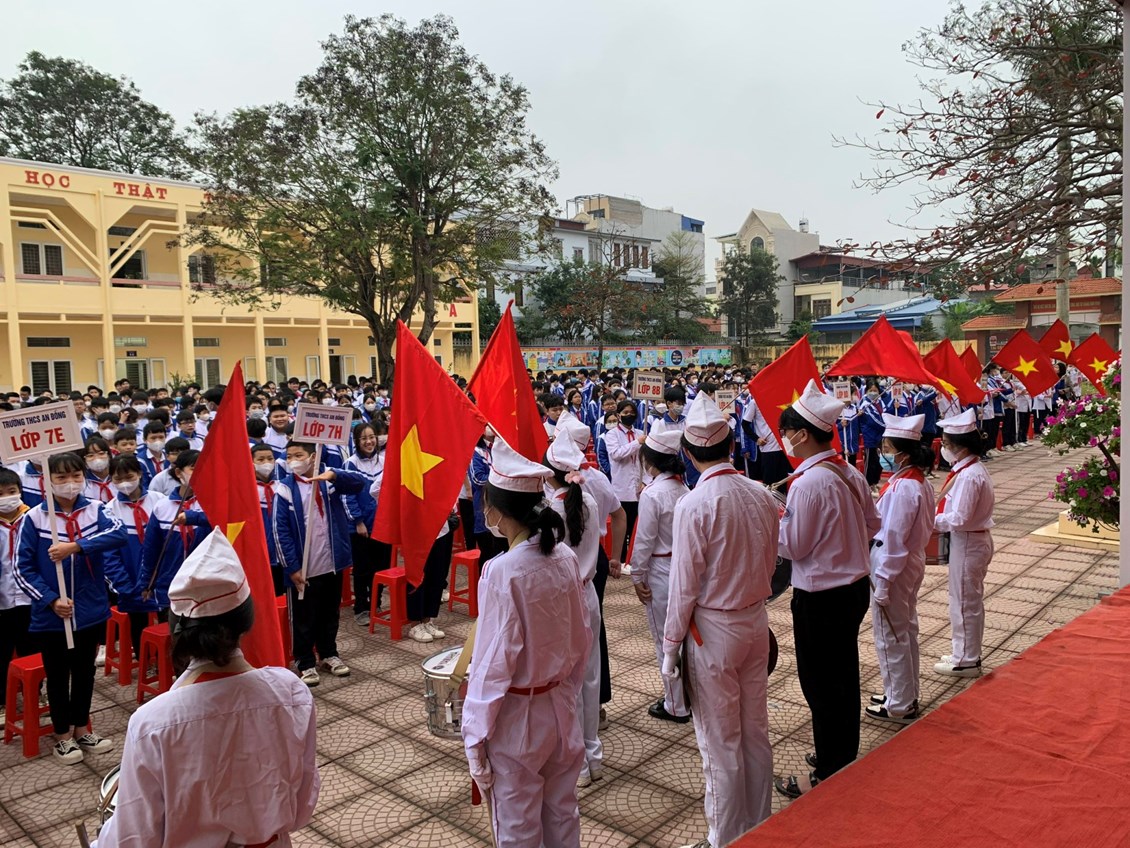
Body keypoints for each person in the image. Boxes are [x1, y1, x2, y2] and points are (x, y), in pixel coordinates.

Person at [93, 531, 319, 847]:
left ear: (177, 628)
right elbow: (302, 801)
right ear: (246, 621)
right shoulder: (291, 692)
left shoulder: (152, 723)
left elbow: (133, 837)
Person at [662, 392, 779, 848]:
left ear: (688, 454)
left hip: (713, 631)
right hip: (753, 620)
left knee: (719, 741)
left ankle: (725, 838)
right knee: (754, 731)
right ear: (732, 445)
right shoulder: (761, 493)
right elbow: (772, 561)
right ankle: (760, 826)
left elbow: (683, 587)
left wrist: (670, 648)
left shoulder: (694, 504)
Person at [462, 437, 592, 848]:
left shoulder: (503, 571)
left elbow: (492, 665)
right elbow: (581, 639)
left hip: (519, 719)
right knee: (562, 816)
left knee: (518, 829)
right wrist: (565, 693)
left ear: (498, 512)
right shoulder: (564, 557)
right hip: (559, 706)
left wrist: (475, 735)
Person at [775, 380, 881, 799]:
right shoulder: (847, 471)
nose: (784, 438)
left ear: (802, 434)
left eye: (787, 431)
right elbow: (872, 524)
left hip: (821, 596)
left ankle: (830, 767)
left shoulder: (808, 483)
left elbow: (793, 546)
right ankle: (839, 751)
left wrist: (774, 521)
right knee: (843, 675)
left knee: (821, 683)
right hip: (853, 588)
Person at [14, 452, 129, 764]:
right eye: (62, 477)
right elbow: (22, 568)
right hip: (52, 616)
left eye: (76, 476)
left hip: (90, 609)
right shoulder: (34, 518)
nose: (70, 483)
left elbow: (119, 534)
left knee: (84, 672)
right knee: (57, 674)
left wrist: (76, 547)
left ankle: (82, 728)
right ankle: (62, 735)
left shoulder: (97, 510)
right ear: (48, 480)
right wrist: (51, 599)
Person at [273, 441, 366, 685]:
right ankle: (304, 661)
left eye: (299, 455)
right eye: (289, 456)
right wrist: (291, 567)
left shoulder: (328, 479)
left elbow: (359, 483)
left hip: (331, 561)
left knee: (329, 612)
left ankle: (328, 653)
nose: (293, 460)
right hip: (304, 566)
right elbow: (280, 530)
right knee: (303, 617)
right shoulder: (285, 488)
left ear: (313, 456)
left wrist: (334, 475)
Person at [865, 414, 935, 725]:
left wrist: (883, 581)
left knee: (890, 635)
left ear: (903, 454)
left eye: (888, 448)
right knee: (904, 629)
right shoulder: (915, 481)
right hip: (907, 562)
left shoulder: (904, 488)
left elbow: (893, 537)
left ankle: (899, 704)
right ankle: (903, 691)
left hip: (895, 565)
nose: (884, 453)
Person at [544, 430, 604, 787]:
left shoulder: (551, 510)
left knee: (568, 682)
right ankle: (592, 754)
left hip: (564, 601)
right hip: (588, 593)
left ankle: (578, 762)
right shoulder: (590, 501)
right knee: (590, 676)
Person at [628, 424, 690, 724]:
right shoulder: (684, 489)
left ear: (650, 461)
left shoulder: (653, 494)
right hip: (684, 567)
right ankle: (687, 696)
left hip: (661, 569)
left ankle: (675, 704)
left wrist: (637, 576)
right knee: (685, 636)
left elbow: (644, 540)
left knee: (665, 639)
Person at [934, 407, 995, 677]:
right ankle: (963, 651)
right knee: (963, 599)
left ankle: (967, 659)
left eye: (946, 444)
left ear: (959, 446)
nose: (944, 449)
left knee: (965, 602)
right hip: (969, 540)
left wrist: (930, 521)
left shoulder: (970, 475)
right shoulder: (968, 470)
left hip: (969, 541)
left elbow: (959, 517)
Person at [102, 454, 165, 656]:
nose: (124, 483)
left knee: (168, 623)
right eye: (117, 479)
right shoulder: (109, 511)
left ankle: (169, 660)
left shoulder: (159, 501)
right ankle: (144, 658)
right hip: (130, 580)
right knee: (138, 625)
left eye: (129, 477)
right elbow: (108, 556)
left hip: (163, 579)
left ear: (139, 474)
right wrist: (125, 586)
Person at [343, 420, 391, 625]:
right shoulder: (350, 463)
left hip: (382, 524)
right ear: (356, 441)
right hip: (360, 527)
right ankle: (361, 607)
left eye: (372, 437)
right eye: (364, 438)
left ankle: (376, 604)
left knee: (381, 567)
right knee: (363, 569)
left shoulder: (385, 461)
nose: (369, 442)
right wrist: (358, 521)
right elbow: (347, 496)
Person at [0, 469, 33, 724]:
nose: (6, 498)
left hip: (30, 597)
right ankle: (3, 701)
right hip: (2, 601)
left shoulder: (32, 519)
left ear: (20, 491)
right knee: (1, 651)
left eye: (11, 492)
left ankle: (36, 693)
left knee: (32, 647)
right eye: (0, 494)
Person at [604, 400, 644, 558]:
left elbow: (645, 461)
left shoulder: (640, 433)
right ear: (618, 415)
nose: (629, 415)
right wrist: (636, 443)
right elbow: (616, 454)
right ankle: (619, 559)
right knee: (622, 527)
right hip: (622, 487)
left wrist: (646, 481)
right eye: (625, 412)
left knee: (636, 528)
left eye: (632, 412)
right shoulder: (612, 434)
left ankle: (632, 559)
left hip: (638, 487)